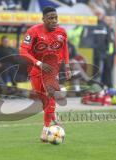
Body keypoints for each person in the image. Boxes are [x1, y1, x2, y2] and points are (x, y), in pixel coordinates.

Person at [19, 6, 71, 142]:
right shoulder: (33, 31)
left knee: (51, 94)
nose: (54, 21)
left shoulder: (62, 32)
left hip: (52, 70)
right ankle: (52, 117)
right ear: (43, 19)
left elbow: (65, 48)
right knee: (43, 99)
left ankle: (45, 129)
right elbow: (23, 51)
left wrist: (67, 65)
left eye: (56, 18)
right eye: (50, 18)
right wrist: (38, 63)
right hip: (36, 68)